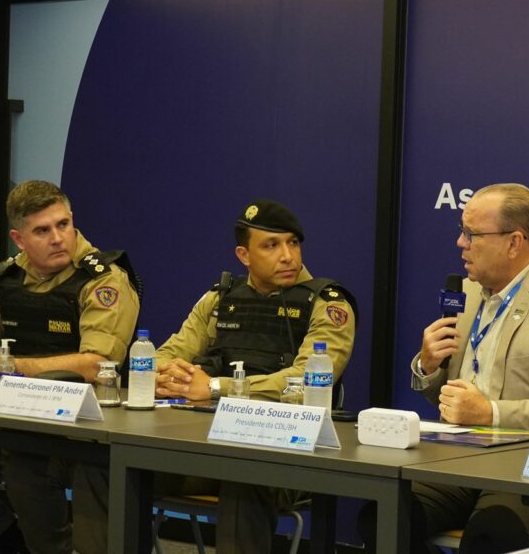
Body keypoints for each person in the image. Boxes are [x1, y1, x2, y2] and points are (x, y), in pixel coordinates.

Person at [73, 198, 356, 554]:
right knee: (100, 466)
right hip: (205, 448)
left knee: (243, 472)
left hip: (285, 458)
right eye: (271, 245)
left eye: (293, 243)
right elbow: (166, 354)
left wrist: (214, 387)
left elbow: (306, 379)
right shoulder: (221, 299)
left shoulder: (327, 304)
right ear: (244, 255)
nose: (288, 256)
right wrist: (165, 375)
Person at [361, 183, 529, 554]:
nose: (461, 242)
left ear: (514, 242)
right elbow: (452, 397)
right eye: (462, 231)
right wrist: (428, 366)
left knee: (494, 533)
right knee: (383, 515)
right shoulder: (468, 292)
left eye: (472, 234)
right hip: (460, 459)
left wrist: (489, 412)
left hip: (526, 466)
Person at [0, 180, 140, 554]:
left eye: (63, 224)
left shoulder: (103, 279)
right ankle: (16, 547)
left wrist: (6, 365)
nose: (58, 238)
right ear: (19, 238)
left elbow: (97, 364)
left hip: (80, 432)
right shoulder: (7, 278)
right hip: (16, 421)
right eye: (42, 231)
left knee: (25, 467)